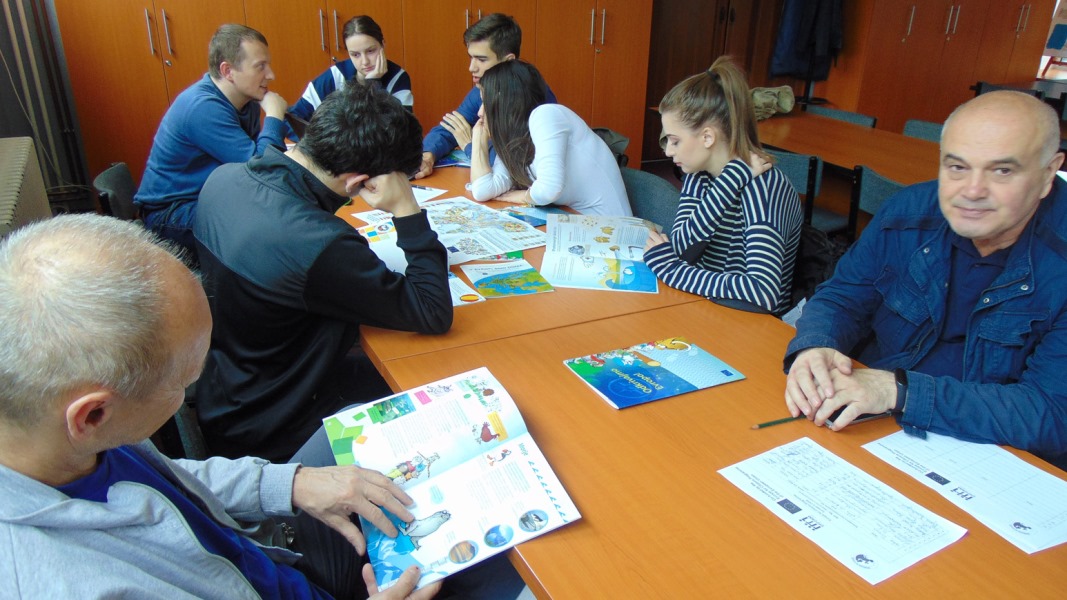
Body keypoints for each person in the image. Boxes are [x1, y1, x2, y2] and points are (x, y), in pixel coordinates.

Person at [0, 214, 442, 599]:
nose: (201, 381)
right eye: (185, 380)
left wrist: (289, 483)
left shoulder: (58, 439)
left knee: (368, 425)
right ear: (92, 415)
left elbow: (167, 481)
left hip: (270, 557)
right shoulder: (69, 583)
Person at [783, 91, 1067, 470]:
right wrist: (816, 345)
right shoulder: (907, 212)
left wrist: (899, 390)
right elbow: (842, 297)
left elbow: (1052, 415)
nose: (972, 191)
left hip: (991, 457)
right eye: (957, 167)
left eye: (1002, 171)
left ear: (1049, 174)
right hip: (874, 425)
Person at [193, 80, 453, 463]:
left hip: (230, 388)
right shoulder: (322, 244)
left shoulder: (223, 178)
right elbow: (432, 311)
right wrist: (406, 208)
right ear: (359, 182)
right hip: (278, 423)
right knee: (441, 388)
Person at [643, 57, 803, 314]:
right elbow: (681, 251)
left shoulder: (764, 187)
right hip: (706, 306)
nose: (669, 151)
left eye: (675, 141)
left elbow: (763, 293)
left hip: (750, 322)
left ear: (707, 137)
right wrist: (727, 185)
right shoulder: (699, 174)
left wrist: (673, 271)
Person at [135, 24, 288, 259]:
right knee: (263, 226)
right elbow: (261, 171)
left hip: (207, 197)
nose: (271, 75)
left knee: (279, 209)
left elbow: (258, 164)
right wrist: (275, 116)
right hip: (171, 215)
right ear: (228, 71)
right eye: (260, 66)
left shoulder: (245, 101)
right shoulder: (202, 107)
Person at [469, 60, 630, 216]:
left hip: (611, 228)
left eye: (485, 102)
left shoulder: (546, 115)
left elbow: (548, 190)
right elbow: (483, 190)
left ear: (504, 101)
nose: (480, 112)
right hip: (576, 224)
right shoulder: (515, 139)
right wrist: (478, 140)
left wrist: (523, 196)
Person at [414, 13, 555, 179]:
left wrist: (470, 145)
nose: (471, 68)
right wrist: (428, 155)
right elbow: (452, 127)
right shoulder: (483, 89)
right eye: (471, 57)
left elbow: (518, 166)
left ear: (508, 61)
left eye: (481, 59)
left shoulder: (530, 96)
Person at [289, 15, 412, 122]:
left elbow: (401, 130)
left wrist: (373, 83)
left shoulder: (398, 78)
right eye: (355, 55)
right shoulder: (336, 75)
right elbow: (294, 119)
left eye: (370, 51)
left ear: (383, 44)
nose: (365, 61)